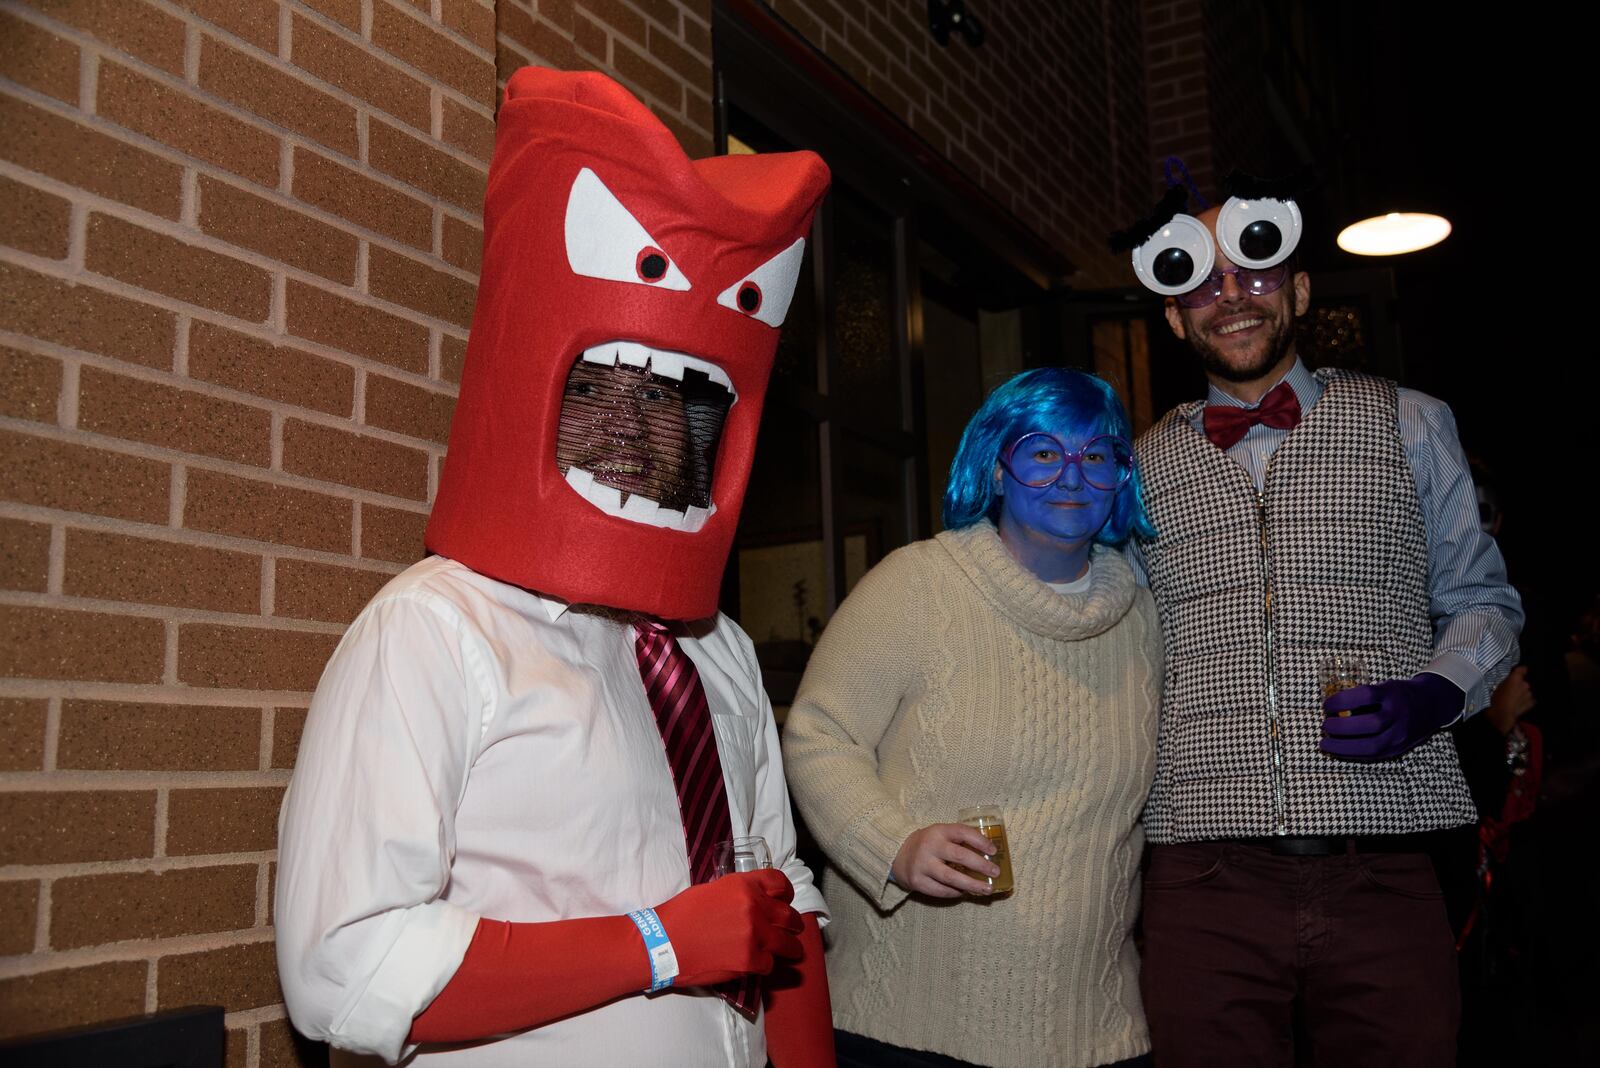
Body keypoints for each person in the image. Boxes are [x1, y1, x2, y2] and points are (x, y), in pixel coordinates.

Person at [274, 67, 835, 1067]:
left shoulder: (719, 651)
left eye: (667, 401)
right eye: (601, 387)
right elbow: (345, 966)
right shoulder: (433, 630)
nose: (633, 426)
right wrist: (657, 945)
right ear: (537, 387)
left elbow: (775, 903)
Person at [1114, 172, 1523, 1065]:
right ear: (1175, 319)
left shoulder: (1409, 422)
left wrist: (1434, 694)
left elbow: (1483, 603)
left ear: (1299, 289)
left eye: (1255, 270)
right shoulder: (1137, 469)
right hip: (1199, 869)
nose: (1232, 296)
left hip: (1383, 855)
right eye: (1201, 281)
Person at [783, 368, 1162, 1068]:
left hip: (1096, 1027)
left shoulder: (1142, 620)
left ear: (1119, 479)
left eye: (1097, 454)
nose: (1072, 475)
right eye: (1044, 452)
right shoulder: (919, 583)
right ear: (995, 470)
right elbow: (819, 734)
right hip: (912, 1027)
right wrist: (891, 845)